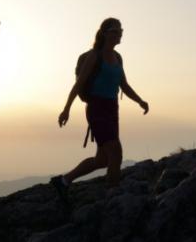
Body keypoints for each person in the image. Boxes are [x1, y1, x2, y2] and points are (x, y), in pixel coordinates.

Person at [51, 17, 149, 200]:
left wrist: (140, 101)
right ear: (105, 33)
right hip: (97, 109)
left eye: (121, 30)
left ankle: (63, 181)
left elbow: (124, 85)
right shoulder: (94, 56)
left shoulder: (118, 58)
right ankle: (113, 193)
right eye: (115, 30)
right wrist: (66, 109)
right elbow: (79, 84)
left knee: (102, 160)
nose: (119, 33)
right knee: (116, 151)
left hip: (112, 109)